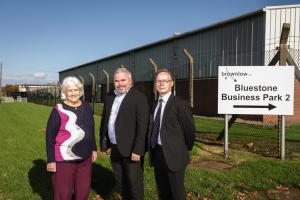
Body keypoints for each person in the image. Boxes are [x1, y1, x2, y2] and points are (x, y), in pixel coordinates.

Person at [100, 67, 149, 200]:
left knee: (134, 184)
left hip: (131, 149)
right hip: (115, 147)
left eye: (123, 80)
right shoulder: (110, 96)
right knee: (120, 182)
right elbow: (105, 120)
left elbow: (143, 126)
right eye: (116, 81)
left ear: (130, 80)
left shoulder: (139, 97)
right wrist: (104, 143)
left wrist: (138, 150)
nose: (120, 83)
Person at [46, 76, 97, 200]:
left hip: (85, 158)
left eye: (76, 90)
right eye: (70, 90)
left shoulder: (87, 106)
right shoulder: (58, 110)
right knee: (63, 194)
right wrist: (51, 160)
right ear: (64, 92)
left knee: (83, 192)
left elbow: (91, 129)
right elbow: (50, 136)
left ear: (80, 91)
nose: (74, 93)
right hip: (64, 159)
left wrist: (94, 148)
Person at [149, 68, 195, 200]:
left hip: (174, 155)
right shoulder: (154, 104)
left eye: (165, 81)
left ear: (171, 84)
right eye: (158, 81)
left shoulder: (180, 104)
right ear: (155, 84)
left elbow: (189, 131)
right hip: (157, 153)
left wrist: (182, 149)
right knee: (163, 192)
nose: (162, 83)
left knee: (177, 193)